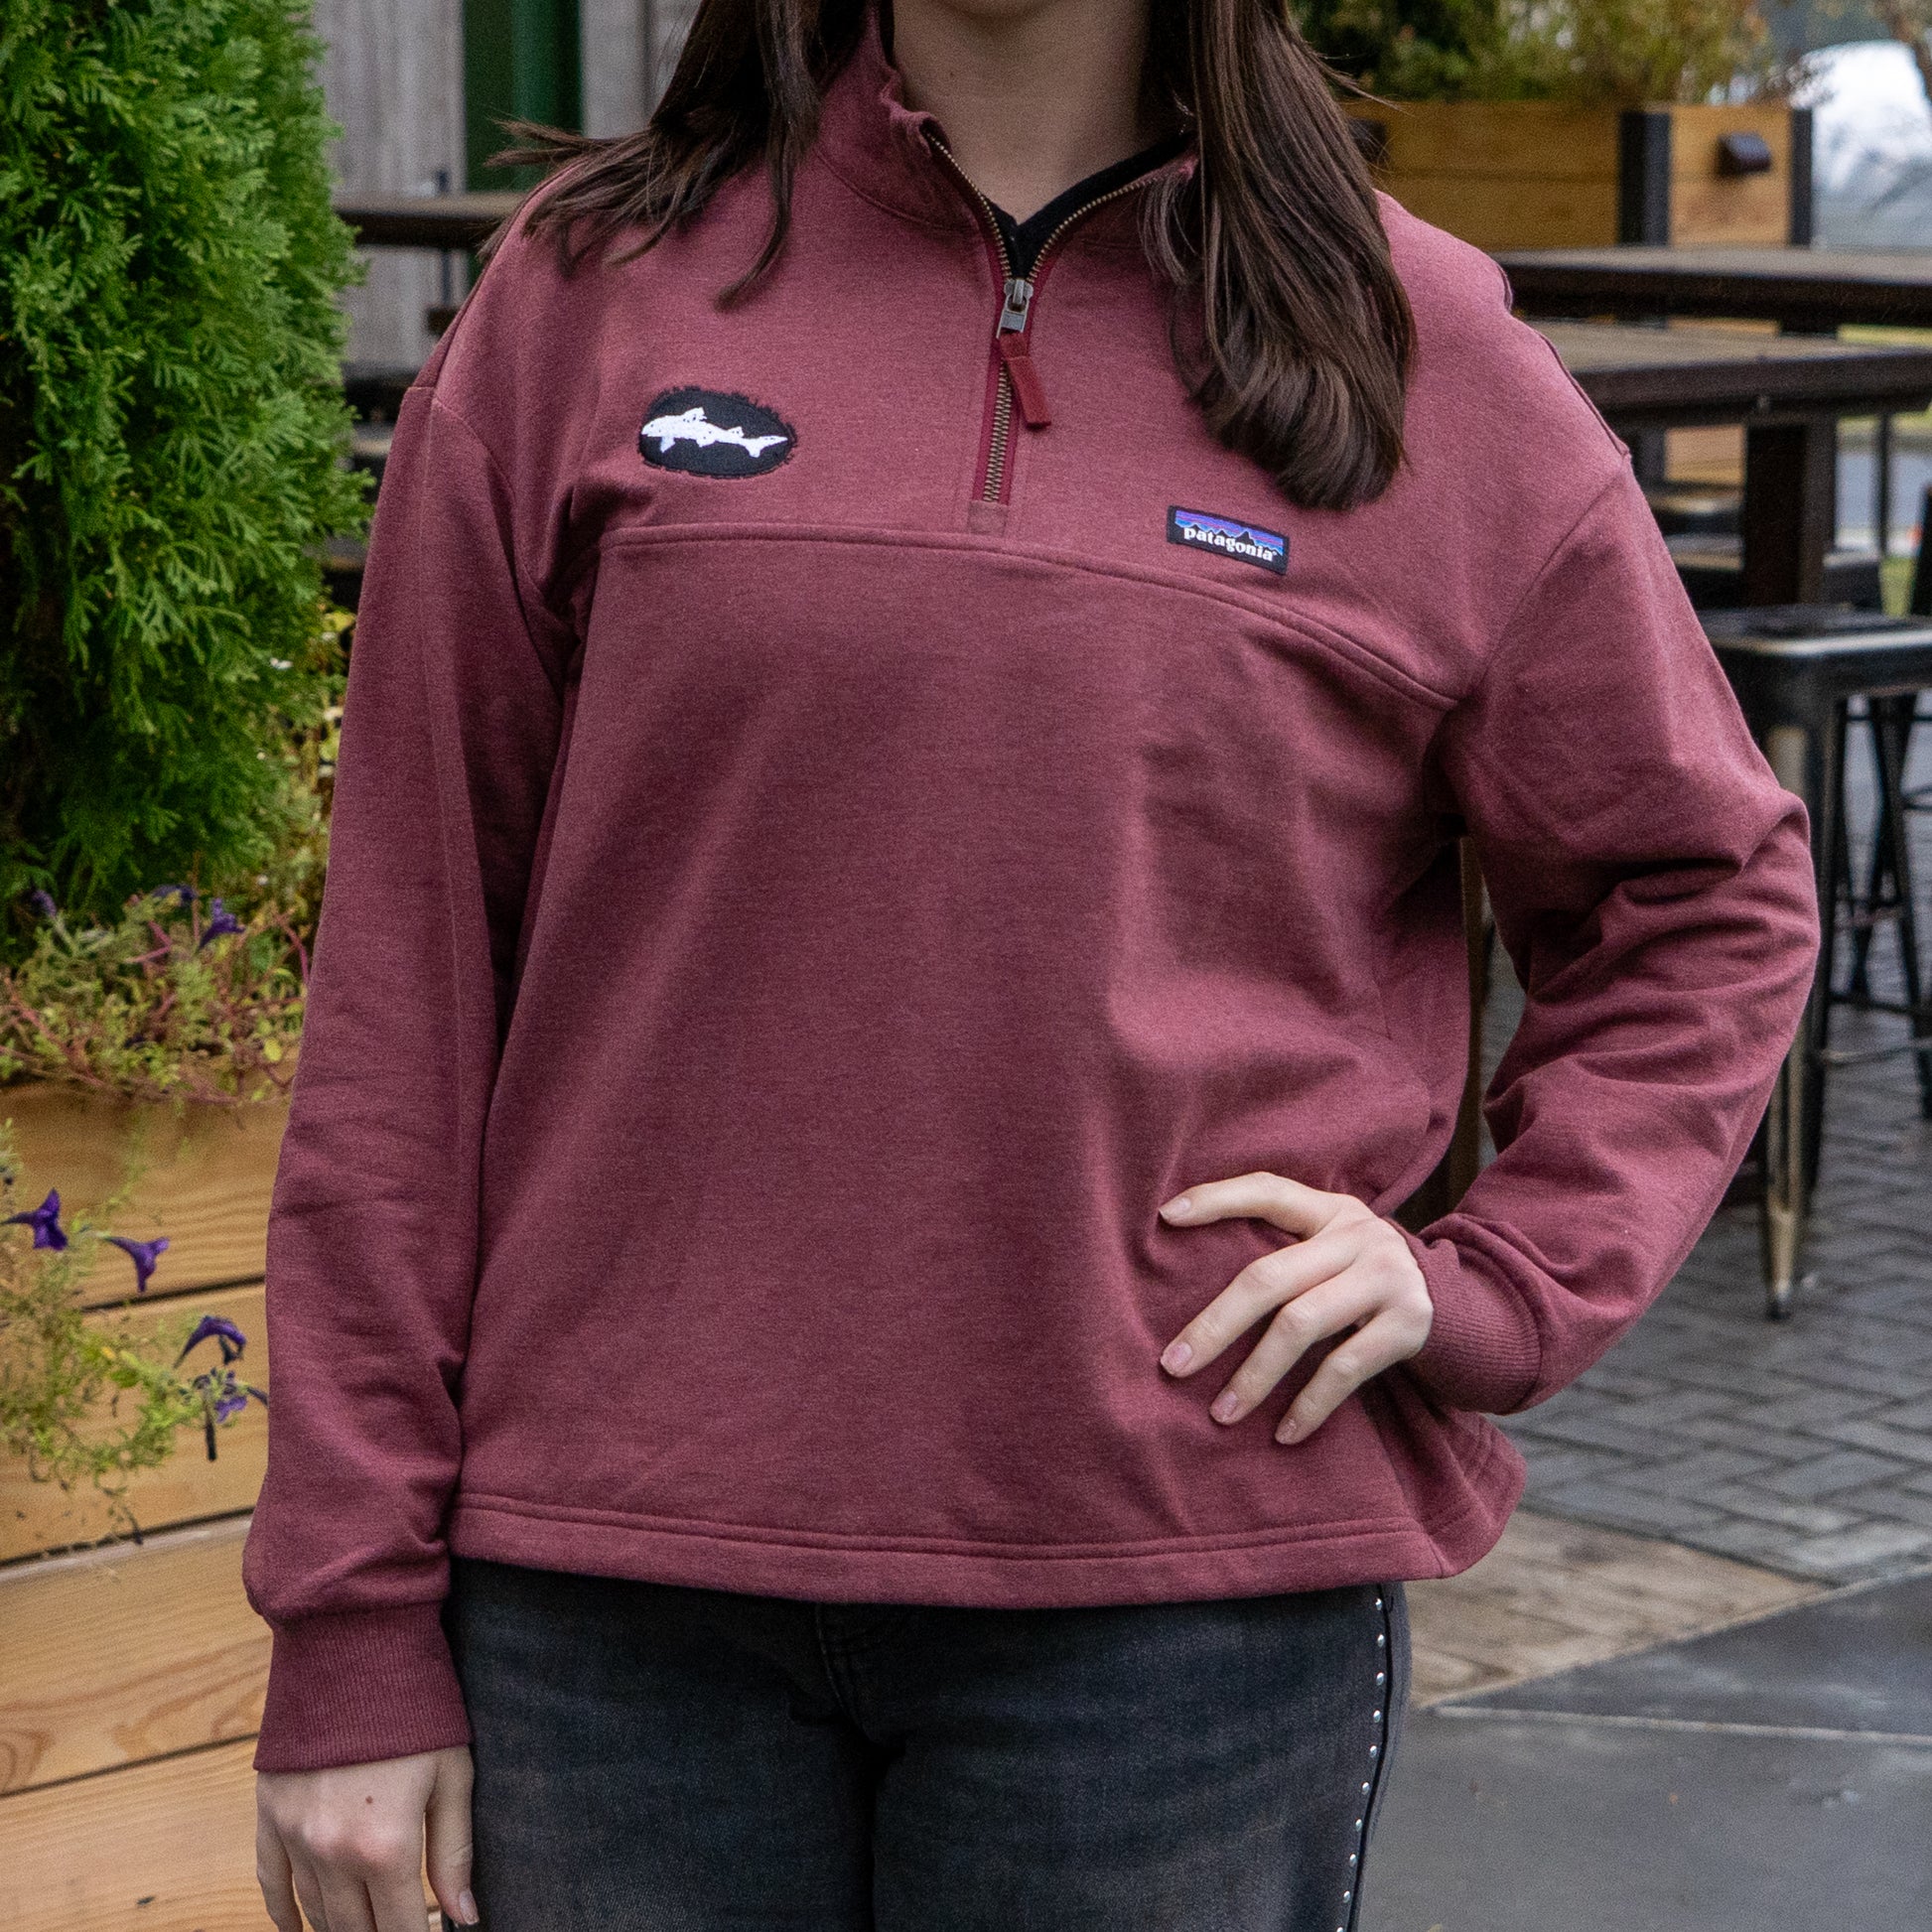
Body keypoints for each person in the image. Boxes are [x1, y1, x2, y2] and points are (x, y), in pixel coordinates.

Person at [245, 0, 1820, 1925]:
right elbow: (405, 994)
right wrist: (349, 1613)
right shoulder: (593, 297)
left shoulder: (1409, 354)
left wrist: (1491, 1274)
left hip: (1170, 1620)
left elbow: (1706, 887)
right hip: (615, 1621)